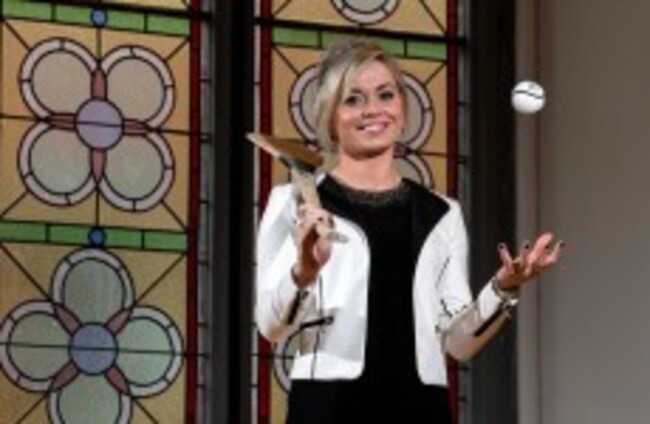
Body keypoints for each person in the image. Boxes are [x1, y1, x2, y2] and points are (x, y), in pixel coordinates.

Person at [255, 38, 563, 424]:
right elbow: (271, 326)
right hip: (327, 405)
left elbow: (458, 343)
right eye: (353, 99)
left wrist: (504, 288)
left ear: (402, 108)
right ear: (330, 117)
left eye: (386, 94)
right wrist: (303, 271)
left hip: (420, 406)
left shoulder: (442, 213)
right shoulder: (295, 203)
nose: (373, 109)